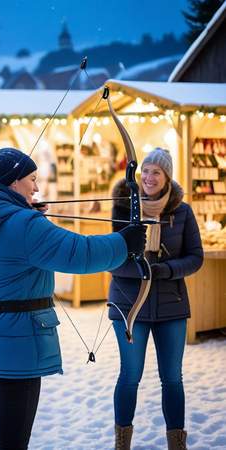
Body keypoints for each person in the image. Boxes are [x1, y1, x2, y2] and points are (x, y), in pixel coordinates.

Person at [0, 144, 147, 450]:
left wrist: (25, 214)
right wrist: (125, 242)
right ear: (13, 182)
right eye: (32, 178)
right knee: (11, 442)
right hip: (13, 346)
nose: (37, 186)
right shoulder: (26, 225)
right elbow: (80, 253)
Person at [108, 148, 203, 450]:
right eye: (145, 170)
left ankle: (177, 442)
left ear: (167, 177)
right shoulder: (124, 207)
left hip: (171, 306)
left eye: (156, 172)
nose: (148, 177)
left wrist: (166, 270)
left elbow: (195, 257)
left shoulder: (183, 211)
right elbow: (112, 257)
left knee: (172, 378)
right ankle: (122, 442)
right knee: (130, 374)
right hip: (129, 306)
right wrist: (141, 270)